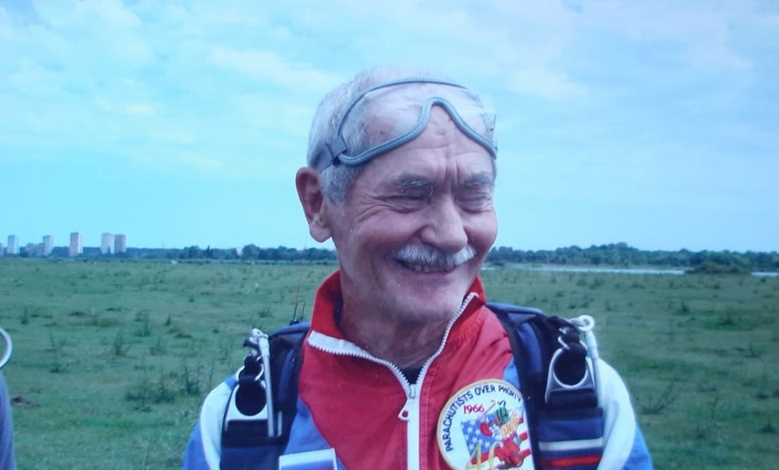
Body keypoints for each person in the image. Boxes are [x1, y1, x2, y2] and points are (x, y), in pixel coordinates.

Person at [184, 67, 652, 469]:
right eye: (410, 194)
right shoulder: (243, 421)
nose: (451, 235)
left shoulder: (575, 396)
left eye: (474, 195)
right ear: (318, 204)